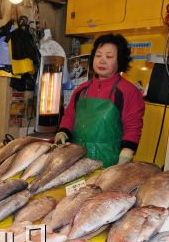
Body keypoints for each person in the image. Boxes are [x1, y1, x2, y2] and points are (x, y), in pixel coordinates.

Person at [55, 34, 145, 168]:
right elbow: (69, 116)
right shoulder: (82, 89)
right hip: (76, 160)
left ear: (119, 60)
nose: (102, 61)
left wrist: (127, 152)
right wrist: (63, 131)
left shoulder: (128, 91)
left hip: (109, 163)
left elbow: (133, 125)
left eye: (109, 57)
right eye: (98, 56)